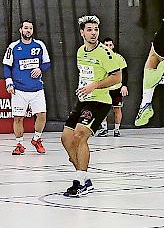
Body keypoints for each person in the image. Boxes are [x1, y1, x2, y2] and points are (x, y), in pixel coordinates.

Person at [61, 16, 122, 197]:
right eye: (89, 29)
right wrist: (83, 87)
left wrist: (94, 85)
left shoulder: (106, 53)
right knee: (66, 138)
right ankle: (84, 177)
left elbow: (117, 78)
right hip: (84, 99)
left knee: (80, 135)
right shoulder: (80, 52)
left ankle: (80, 181)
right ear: (82, 32)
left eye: (95, 29)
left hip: (99, 101)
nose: (93, 33)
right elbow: (85, 74)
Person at [3, 20, 50, 155]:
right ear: (21, 30)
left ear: (32, 31)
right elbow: (7, 65)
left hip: (37, 89)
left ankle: (37, 139)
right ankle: (19, 145)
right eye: (25, 28)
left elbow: (47, 63)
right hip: (19, 90)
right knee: (18, 118)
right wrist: (9, 82)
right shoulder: (13, 46)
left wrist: (40, 69)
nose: (28, 30)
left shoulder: (40, 45)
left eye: (30, 28)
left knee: (42, 115)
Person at [96, 37, 128, 137]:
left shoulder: (118, 58)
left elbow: (125, 72)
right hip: (105, 89)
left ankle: (117, 129)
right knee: (103, 109)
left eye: (110, 45)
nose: (108, 47)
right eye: (106, 45)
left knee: (117, 109)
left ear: (113, 46)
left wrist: (124, 86)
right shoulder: (100, 58)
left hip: (117, 89)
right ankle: (104, 129)